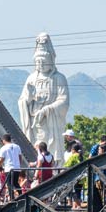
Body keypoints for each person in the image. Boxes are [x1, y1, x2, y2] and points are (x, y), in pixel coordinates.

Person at [18, 33, 70, 164]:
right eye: (37, 61)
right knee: (34, 148)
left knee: (50, 149)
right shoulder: (31, 78)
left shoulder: (59, 78)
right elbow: (22, 100)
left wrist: (47, 110)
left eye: (43, 61)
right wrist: (28, 98)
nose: (40, 64)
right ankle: (35, 170)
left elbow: (64, 101)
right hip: (34, 122)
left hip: (50, 123)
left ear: (50, 60)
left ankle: (51, 170)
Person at [0, 134, 24, 202]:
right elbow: (20, 157)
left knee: (9, 183)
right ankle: (21, 195)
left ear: (4, 140)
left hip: (9, 168)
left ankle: (12, 198)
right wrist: (18, 165)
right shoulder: (17, 146)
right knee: (16, 183)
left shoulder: (3, 148)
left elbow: (2, 159)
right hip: (17, 168)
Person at [64, 144, 84, 208]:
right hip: (82, 178)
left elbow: (67, 165)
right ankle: (75, 206)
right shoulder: (81, 156)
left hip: (75, 177)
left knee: (74, 192)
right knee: (78, 192)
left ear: (73, 150)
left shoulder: (73, 156)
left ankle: (78, 206)